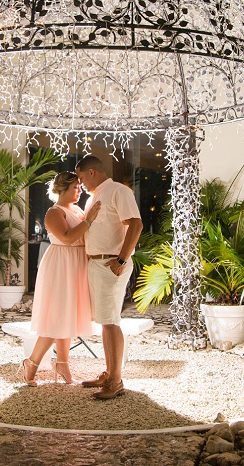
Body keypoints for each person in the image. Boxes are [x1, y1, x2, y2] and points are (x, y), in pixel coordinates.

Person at [20, 171, 101, 386]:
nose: (79, 190)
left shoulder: (75, 209)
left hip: (77, 263)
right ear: (63, 189)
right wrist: (90, 221)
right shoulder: (54, 212)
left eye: (79, 186)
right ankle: (32, 363)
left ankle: (63, 363)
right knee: (57, 317)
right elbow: (66, 238)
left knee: (68, 316)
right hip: (61, 264)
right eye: (75, 187)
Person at [75, 155, 143, 400]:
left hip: (111, 263)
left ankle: (115, 381)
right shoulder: (94, 197)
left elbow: (136, 224)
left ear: (92, 172)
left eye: (81, 177)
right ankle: (110, 373)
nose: (80, 183)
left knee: (111, 322)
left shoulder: (117, 191)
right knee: (106, 321)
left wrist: (122, 260)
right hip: (97, 263)